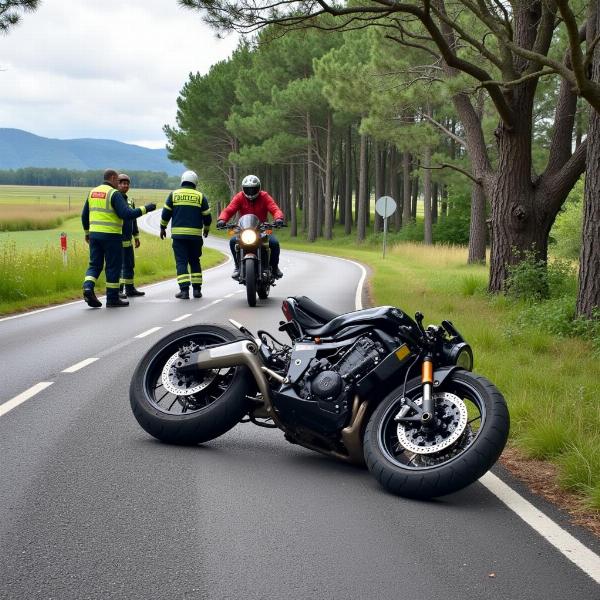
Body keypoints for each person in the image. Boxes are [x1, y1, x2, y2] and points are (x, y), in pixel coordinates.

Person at [82, 169, 156, 308]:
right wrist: (147, 208)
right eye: (118, 180)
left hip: (94, 235)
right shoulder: (113, 193)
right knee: (113, 267)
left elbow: (84, 215)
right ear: (112, 178)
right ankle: (112, 299)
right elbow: (126, 214)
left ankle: (87, 288)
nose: (119, 183)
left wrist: (87, 233)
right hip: (111, 236)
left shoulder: (92, 192)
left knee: (94, 265)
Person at [217, 174, 284, 280]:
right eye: (248, 189)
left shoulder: (264, 196)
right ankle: (238, 267)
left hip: (263, 229)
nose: (251, 191)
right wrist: (222, 219)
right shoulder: (239, 197)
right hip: (243, 229)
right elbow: (229, 209)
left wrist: (279, 218)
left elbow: (274, 208)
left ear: (259, 188)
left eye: (254, 189)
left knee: (274, 243)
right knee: (233, 241)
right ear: (243, 189)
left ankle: (274, 267)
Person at [159, 170, 211, 299]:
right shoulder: (200, 196)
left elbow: (165, 214)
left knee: (181, 262)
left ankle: (184, 291)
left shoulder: (174, 195)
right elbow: (207, 217)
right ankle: (197, 290)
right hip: (195, 237)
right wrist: (206, 229)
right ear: (195, 182)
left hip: (179, 237)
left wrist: (162, 227)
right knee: (194, 261)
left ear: (182, 180)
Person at [117, 174, 145, 299]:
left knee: (129, 264)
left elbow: (133, 219)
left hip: (128, 239)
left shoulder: (130, 201)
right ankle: (118, 290)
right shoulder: (115, 199)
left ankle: (130, 289)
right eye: (122, 183)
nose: (125, 185)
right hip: (118, 239)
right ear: (117, 184)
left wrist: (136, 236)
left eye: (127, 183)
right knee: (119, 265)